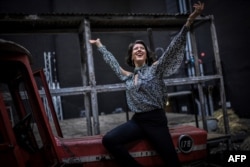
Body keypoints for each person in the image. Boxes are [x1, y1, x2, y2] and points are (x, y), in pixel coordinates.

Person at [89, 2, 204, 167]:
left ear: (146, 53)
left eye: (141, 48)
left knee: (172, 162)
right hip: (138, 122)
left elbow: (172, 48)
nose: (138, 49)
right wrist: (100, 46)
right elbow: (113, 64)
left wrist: (189, 21)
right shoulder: (128, 76)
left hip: (156, 121)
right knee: (109, 140)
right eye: (135, 48)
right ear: (132, 56)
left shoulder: (155, 69)